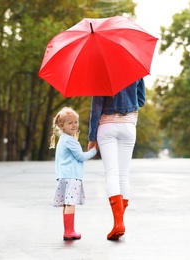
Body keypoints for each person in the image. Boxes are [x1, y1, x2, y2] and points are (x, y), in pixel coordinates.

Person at [87, 78, 145, 240]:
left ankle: (118, 223)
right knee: (123, 174)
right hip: (129, 125)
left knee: (112, 173)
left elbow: (97, 105)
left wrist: (92, 137)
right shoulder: (135, 68)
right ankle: (119, 222)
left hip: (107, 126)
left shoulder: (100, 72)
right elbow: (141, 100)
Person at [50, 107, 97, 241]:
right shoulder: (70, 140)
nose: (74, 125)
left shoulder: (63, 139)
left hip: (64, 176)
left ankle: (68, 230)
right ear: (61, 126)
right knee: (70, 203)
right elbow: (81, 156)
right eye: (70, 123)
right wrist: (94, 150)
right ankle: (69, 231)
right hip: (72, 177)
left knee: (67, 204)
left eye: (76, 122)